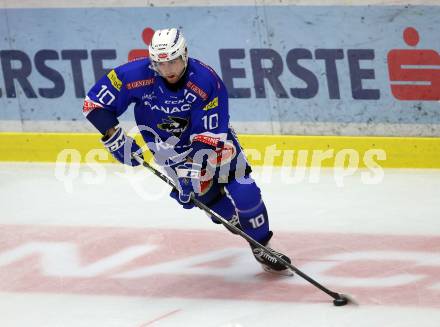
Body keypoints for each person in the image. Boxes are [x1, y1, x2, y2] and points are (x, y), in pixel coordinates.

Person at [82, 28, 291, 275]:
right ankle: (247, 235)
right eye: (160, 64)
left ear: (185, 54)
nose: (168, 70)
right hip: (167, 149)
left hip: (211, 142)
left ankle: (262, 245)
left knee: (244, 191)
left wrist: (193, 169)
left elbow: (211, 131)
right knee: (209, 200)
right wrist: (114, 138)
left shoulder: (205, 80)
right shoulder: (132, 75)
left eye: (173, 61)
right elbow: (95, 104)